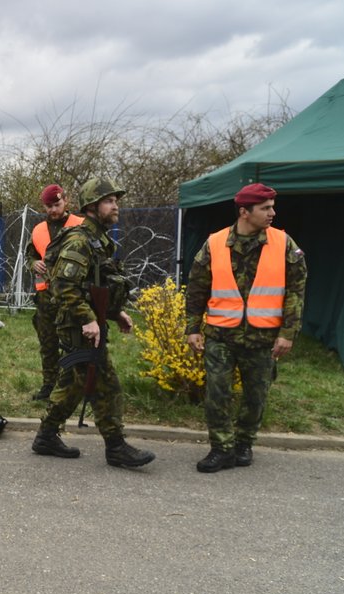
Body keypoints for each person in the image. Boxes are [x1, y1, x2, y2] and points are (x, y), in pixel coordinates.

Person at [31, 178, 155, 467]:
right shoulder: (80, 240)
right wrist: (88, 319)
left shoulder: (98, 239)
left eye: (116, 200)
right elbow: (62, 286)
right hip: (77, 325)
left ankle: (46, 436)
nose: (116, 206)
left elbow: (94, 284)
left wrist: (114, 312)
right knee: (106, 383)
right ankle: (116, 447)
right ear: (92, 206)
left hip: (86, 321)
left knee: (73, 383)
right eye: (110, 201)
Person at [185, 183, 306, 473]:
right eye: (265, 208)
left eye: (272, 207)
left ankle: (244, 443)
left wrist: (288, 333)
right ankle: (221, 449)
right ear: (244, 212)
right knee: (217, 393)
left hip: (263, 338)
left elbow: (296, 291)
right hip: (220, 335)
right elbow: (197, 287)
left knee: (256, 396)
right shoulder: (214, 243)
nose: (272, 213)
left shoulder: (283, 242)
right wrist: (192, 328)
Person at [27, 184, 83, 401]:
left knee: (73, 343)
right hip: (46, 296)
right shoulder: (39, 229)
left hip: (72, 295)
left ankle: (73, 386)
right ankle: (49, 385)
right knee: (47, 343)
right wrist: (33, 263)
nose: (53, 210)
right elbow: (30, 254)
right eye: (49, 206)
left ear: (66, 201)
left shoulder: (80, 225)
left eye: (57, 204)